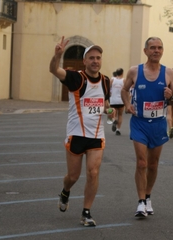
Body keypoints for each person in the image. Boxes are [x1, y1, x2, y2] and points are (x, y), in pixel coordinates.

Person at [49, 36, 113, 227]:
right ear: (85, 61)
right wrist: (57, 55)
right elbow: (53, 70)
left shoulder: (106, 81)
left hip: (96, 137)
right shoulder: (76, 78)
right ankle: (65, 191)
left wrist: (109, 110)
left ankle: (86, 212)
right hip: (76, 134)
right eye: (91, 58)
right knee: (73, 177)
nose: (95, 61)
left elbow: (104, 104)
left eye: (98, 58)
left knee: (93, 173)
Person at [121, 37, 173, 218]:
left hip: (159, 123)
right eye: (152, 48)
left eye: (159, 48)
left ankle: (148, 196)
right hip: (140, 122)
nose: (156, 51)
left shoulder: (168, 73)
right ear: (145, 51)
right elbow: (124, 90)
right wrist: (127, 104)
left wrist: (170, 96)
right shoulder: (134, 71)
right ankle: (140, 202)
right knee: (141, 162)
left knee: (153, 164)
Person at [109, 68, 125, 135]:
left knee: (114, 113)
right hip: (121, 100)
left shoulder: (112, 79)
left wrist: (109, 95)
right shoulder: (124, 80)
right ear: (122, 73)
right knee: (120, 115)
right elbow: (126, 90)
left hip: (113, 100)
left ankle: (114, 120)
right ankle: (118, 129)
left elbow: (108, 88)